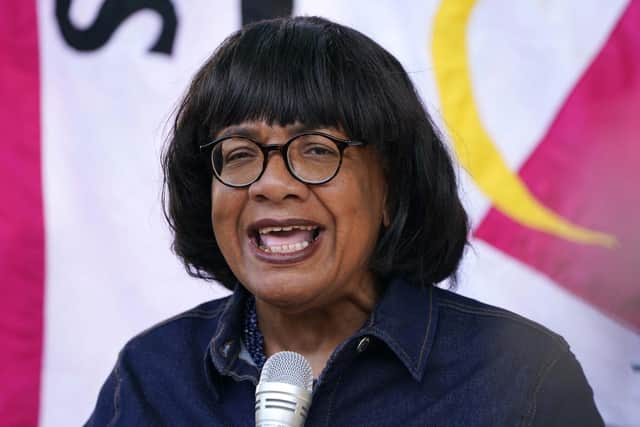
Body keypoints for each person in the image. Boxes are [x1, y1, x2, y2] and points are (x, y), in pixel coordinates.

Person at [85, 16, 603, 426]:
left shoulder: (520, 378)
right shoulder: (153, 376)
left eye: (315, 149)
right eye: (240, 153)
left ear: (391, 189)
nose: (269, 184)